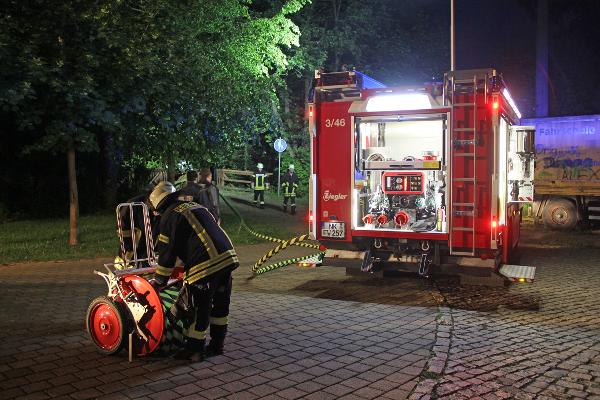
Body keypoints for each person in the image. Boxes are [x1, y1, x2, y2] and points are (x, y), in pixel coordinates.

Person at [149, 182, 239, 361]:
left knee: (198, 308)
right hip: (227, 258)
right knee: (220, 305)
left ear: (158, 206)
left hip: (205, 265)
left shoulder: (169, 216)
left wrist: (159, 281)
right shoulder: (195, 206)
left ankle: (194, 350)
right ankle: (217, 345)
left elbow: (167, 253)